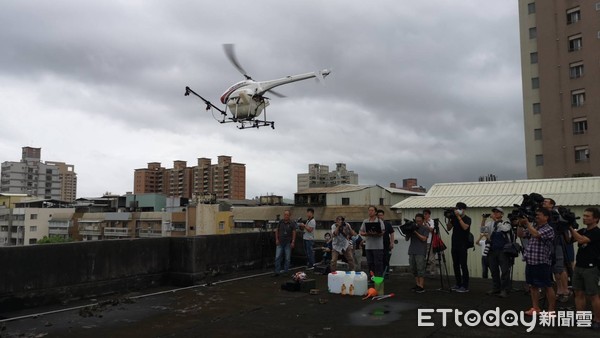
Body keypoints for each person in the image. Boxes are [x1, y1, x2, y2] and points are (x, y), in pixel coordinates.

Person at [517, 208, 556, 316]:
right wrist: (520, 224)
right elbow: (521, 235)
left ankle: (551, 310)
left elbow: (536, 235)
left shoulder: (549, 229)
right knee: (533, 286)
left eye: (538, 215)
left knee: (547, 286)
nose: (536, 216)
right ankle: (535, 308)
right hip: (531, 260)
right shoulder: (534, 227)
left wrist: (528, 224)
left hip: (542, 262)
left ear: (546, 217)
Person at [568, 207, 600, 330]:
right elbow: (568, 240)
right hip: (579, 266)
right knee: (578, 293)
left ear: (596, 219)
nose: (584, 218)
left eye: (588, 216)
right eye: (584, 215)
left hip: (591, 267)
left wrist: (571, 228)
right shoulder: (582, 230)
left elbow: (581, 240)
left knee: (593, 294)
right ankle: (581, 318)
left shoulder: (597, 232)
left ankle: (597, 319)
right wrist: (564, 228)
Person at [543, 198, 570, 302]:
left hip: (557, 243)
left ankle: (566, 291)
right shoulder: (544, 215)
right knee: (554, 268)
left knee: (560, 267)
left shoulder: (556, 215)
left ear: (552, 205)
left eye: (546, 202)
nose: (543, 203)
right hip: (548, 245)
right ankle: (559, 290)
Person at [483, 207, 513, 298]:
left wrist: (496, 220)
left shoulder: (506, 223)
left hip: (503, 251)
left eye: (497, 212)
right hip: (492, 250)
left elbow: (505, 229)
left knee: (504, 271)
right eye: (494, 212)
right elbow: (482, 231)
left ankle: (505, 290)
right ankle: (496, 288)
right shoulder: (489, 223)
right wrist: (483, 220)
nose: (495, 213)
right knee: (494, 270)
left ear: (502, 214)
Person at [446, 202, 472, 293]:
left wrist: (458, 217)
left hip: (463, 245)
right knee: (455, 265)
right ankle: (458, 283)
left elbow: (465, 227)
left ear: (463, 209)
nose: (457, 210)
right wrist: (449, 218)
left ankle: (465, 286)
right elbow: (448, 228)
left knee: (463, 265)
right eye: (456, 209)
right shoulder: (454, 218)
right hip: (455, 244)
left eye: (459, 209)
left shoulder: (467, 219)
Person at [359, 206, 385, 277]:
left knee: (378, 263)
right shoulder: (365, 221)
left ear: (375, 212)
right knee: (370, 263)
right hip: (368, 246)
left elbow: (383, 232)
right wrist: (366, 234)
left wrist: (376, 233)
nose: (370, 212)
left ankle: (378, 279)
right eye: (369, 210)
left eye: (372, 210)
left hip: (378, 247)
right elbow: (361, 231)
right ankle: (372, 278)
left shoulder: (379, 221)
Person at [406, 213, 430, 293]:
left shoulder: (425, 228)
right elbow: (406, 239)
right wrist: (408, 230)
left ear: (423, 221)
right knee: (413, 269)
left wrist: (415, 232)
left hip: (420, 251)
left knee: (420, 269)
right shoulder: (413, 227)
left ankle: (421, 286)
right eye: (416, 221)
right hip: (412, 250)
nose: (418, 222)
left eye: (419, 221)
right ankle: (417, 284)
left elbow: (424, 239)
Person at [273, 210, 297, 276]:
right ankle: (277, 271)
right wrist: (276, 239)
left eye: (287, 215)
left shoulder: (292, 223)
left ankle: (286, 271)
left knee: (287, 258)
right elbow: (276, 230)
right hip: (280, 242)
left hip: (288, 243)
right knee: (277, 257)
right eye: (285, 214)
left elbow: (294, 232)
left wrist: (293, 241)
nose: (286, 216)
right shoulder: (280, 222)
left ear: (289, 216)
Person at [377, 209, 395, 277]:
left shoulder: (387, 224)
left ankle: (386, 272)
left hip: (386, 244)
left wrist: (392, 242)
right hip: (377, 245)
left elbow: (392, 233)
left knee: (386, 259)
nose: (380, 216)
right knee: (378, 259)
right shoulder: (375, 224)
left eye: (381, 215)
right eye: (378, 215)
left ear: (383, 216)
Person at [423, 209, 437, 275]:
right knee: (423, 257)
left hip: (430, 241)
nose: (424, 215)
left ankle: (432, 272)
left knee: (431, 258)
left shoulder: (432, 221)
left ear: (429, 214)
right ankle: (424, 271)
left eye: (426, 214)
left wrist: (426, 224)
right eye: (424, 214)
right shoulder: (421, 222)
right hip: (422, 241)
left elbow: (432, 230)